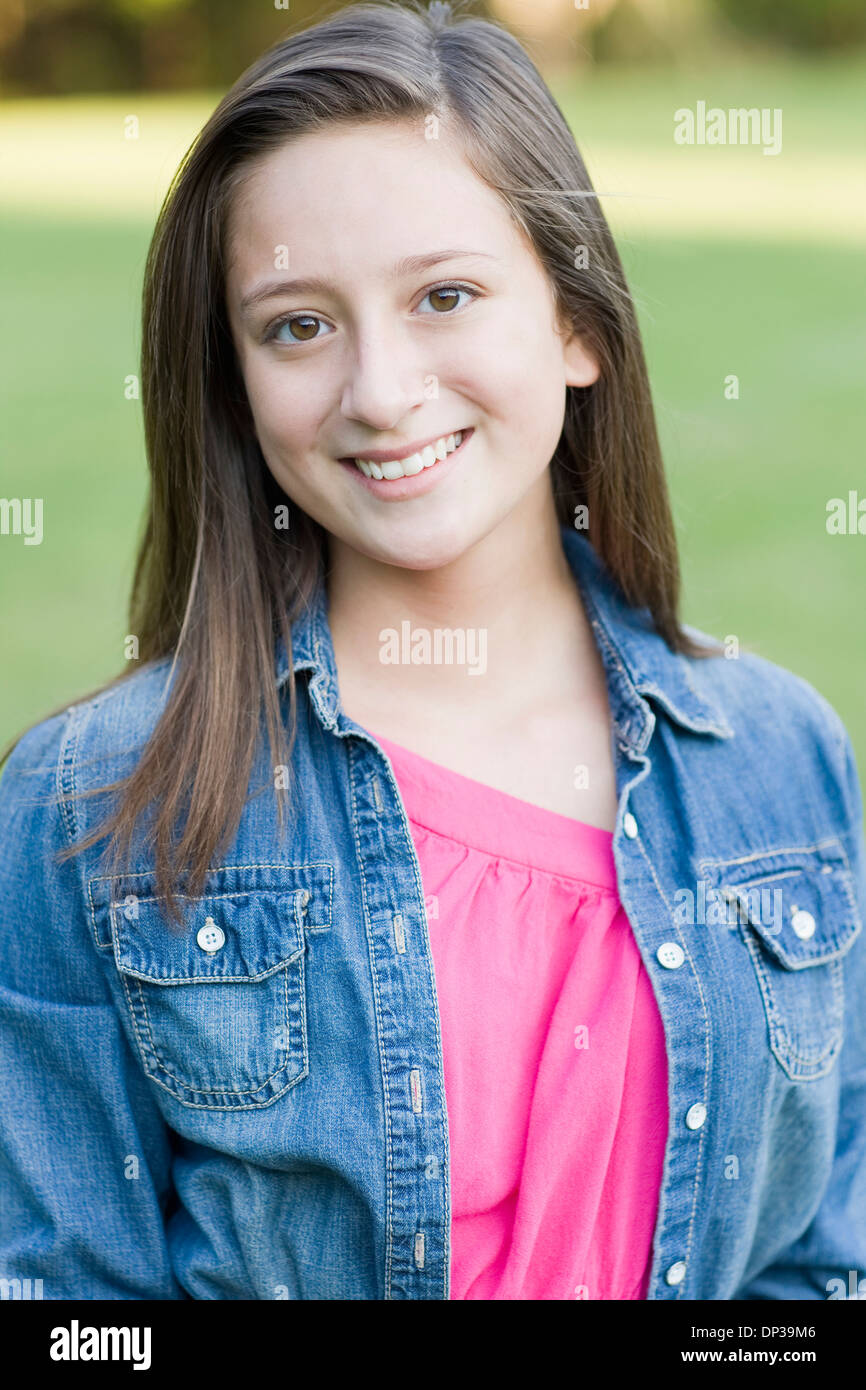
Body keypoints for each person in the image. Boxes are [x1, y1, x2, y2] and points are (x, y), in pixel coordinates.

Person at [0, 0, 863, 1301]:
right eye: (298, 324)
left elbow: (820, 1264)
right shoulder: (88, 801)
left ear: (573, 321)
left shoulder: (782, 763)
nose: (381, 390)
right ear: (232, 382)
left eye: (445, 295)